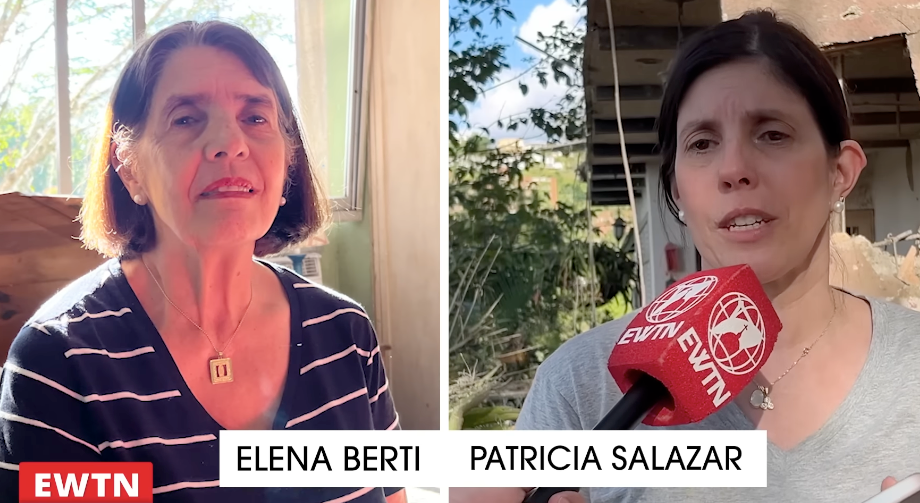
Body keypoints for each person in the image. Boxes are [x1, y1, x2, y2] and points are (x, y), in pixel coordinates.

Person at [451, 9, 920, 503]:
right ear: (678, 186)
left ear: (840, 171)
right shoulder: (581, 382)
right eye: (702, 143)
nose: (734, 168)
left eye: (772, 134)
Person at [0, 20, 405, 503]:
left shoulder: (344, 332)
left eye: (256, 118)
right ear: (129, 167)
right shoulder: (63, 362)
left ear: (288, 160)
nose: (229, 143)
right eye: (186, 119)